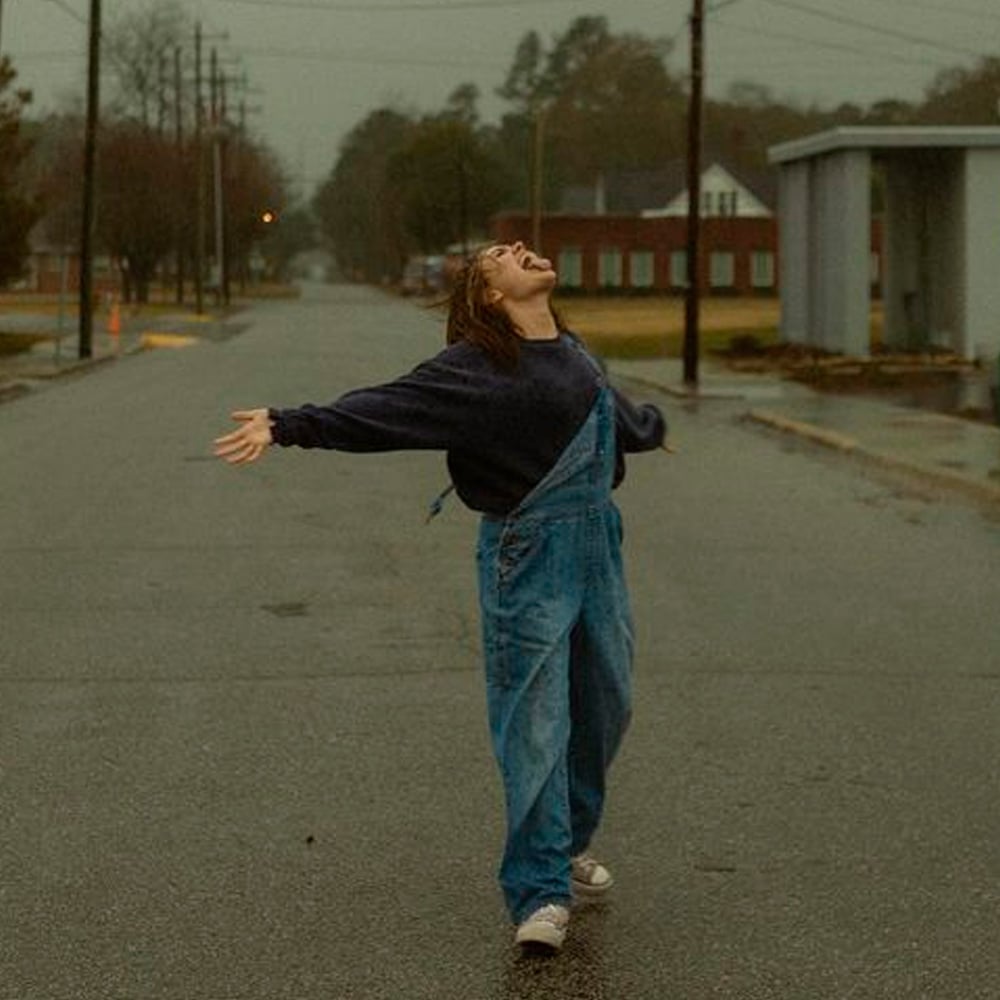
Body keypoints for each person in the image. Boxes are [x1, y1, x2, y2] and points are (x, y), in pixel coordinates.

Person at [213, 241, 667, 951]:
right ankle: (539, 890)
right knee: (536, 723)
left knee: (606, 706)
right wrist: (286, 422)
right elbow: (383, 411)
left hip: (597, 550)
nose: (520, 250)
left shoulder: (574, 352)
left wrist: (649, 430)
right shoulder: (477, 367)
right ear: (489, 295)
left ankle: (566, 845)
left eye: (519, 246)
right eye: (501, 257)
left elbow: (608, 414)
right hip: (529, 554)